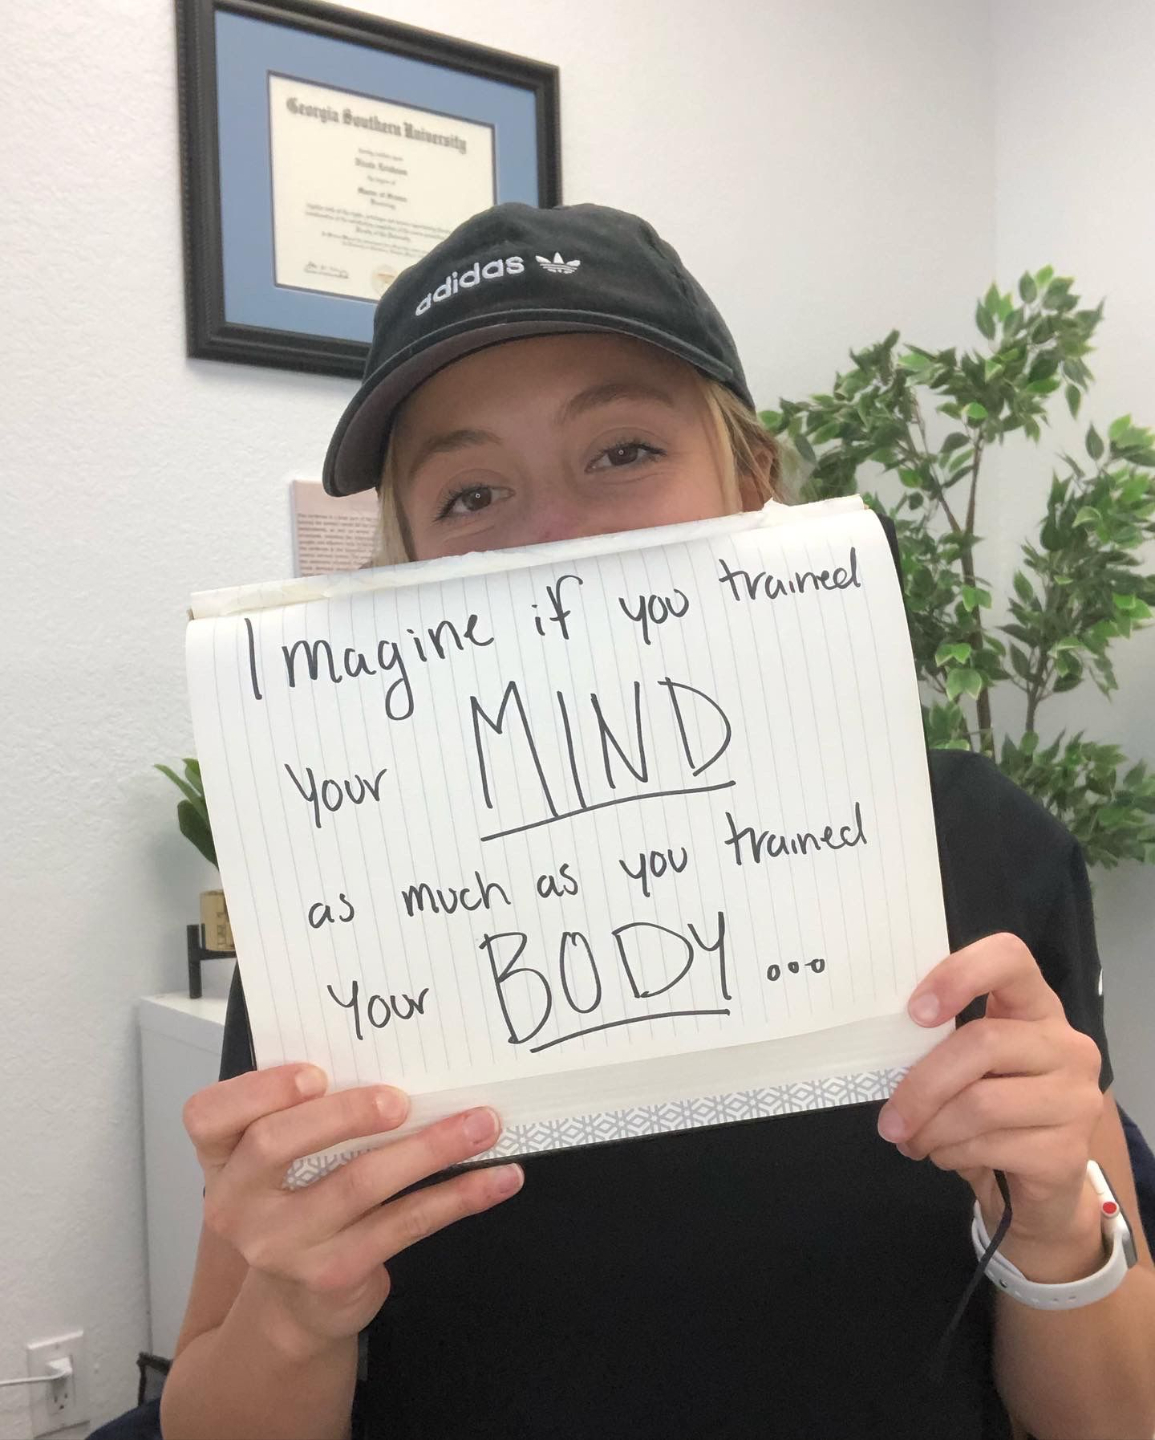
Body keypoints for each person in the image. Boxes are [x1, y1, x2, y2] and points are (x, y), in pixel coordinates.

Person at [159, 203, 1155, 1440]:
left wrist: (1056, 1230)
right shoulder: (336, 917)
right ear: (404, 563)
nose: (555, 538)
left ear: (751, 483)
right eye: (471, 492)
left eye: (623, 450)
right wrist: (294, 1316)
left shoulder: (986, 848)